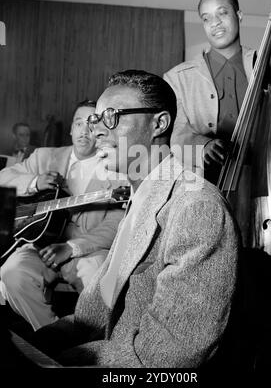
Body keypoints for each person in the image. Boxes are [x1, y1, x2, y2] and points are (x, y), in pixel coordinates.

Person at [27, 69, 240, 368]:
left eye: (112, 116)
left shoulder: (198, 207)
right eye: (95, 120)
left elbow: (167, 356)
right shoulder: (139, 197)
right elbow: (93, 317)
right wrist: (35, 347)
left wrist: (63, 362)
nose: (96, 131)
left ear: (159, 123)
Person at [0, 100, 128, 331]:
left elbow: (117, 222)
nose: (84, 130)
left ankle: (95, 345)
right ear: (71, 128)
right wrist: (33, 182)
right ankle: (51, 337)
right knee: (11, 272)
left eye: (92, 124)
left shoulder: (115, 168)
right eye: (79, 123)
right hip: (39, 246)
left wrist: (73, 247)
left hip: (86, 249)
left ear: (100, 130)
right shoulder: (43, 157)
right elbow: (3, 177)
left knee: (98, 276)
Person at [164, 0, 271, 181]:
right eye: (206, 18)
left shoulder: (265, 65)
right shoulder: (177, 78)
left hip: (266, 180)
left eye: (222, 13)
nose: (215, 23)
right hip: (205, 185)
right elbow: (176, 134)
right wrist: (202, 147)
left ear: (239, 15)